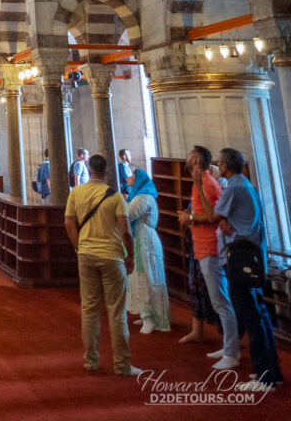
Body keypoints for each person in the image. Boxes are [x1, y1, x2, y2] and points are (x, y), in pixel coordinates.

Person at [194, 147, 283, 391]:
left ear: (224, 166)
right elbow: (221, 217)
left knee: (252, 318)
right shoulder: (246, 184)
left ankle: (265, 379)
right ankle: (271, 371)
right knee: (259, 315)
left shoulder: (234, 187)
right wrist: (222, 219)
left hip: (240, 258)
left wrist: (220, 219)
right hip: (251, 257)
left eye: (220, 163)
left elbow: (213, 216)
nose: (218, 166)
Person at [63, 153, 139, 377]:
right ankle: (122, 365)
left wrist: (79, 247)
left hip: (86, 254)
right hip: (112, 256)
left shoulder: (77, 192)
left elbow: (69, 222)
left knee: (89, 310)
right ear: (106, 172)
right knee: (117, 313)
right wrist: (130, 256)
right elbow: (125, 231)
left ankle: (91, 361)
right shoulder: (116, 197)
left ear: (88, 168)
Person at [177, 145, 238, 365]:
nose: (186, 156)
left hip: (211, 248)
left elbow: (214, 217)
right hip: (204, 248)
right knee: (218, 300)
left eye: (190, 154)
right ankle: (228, 348)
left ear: (197, 159)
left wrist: (189, 219)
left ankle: (232, 353)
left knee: (221, 301)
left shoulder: (207, 183)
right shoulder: (200, 182)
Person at [125, 168, 170, 333]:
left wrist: (119, 204)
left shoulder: (142, 198)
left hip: (144, 241)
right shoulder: (137, 197)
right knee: (137, 277)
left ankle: (150, 318)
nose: (127, 178)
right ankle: (145, 313)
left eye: (131, 176)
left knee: (146, 276)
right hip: (139, 239)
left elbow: (128, 214)